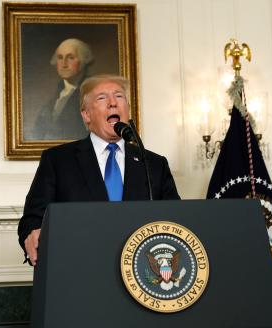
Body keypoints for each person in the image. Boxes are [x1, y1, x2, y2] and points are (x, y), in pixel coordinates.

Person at [18, 74, 180, 265]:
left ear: (127, 109)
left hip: (142, 272)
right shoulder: (57, 160)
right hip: (80, 268)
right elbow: (32, 219)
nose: (112, 103)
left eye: (119, 96)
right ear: (86, 114)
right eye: (102, 98)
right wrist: (33, 234)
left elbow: (176, 221)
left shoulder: (153, 164)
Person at [28, 38, 93, 140]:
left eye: (70, 57)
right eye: (60, 57)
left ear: (83, 61)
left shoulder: (93, 93)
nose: (64, 63)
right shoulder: (54, 99)